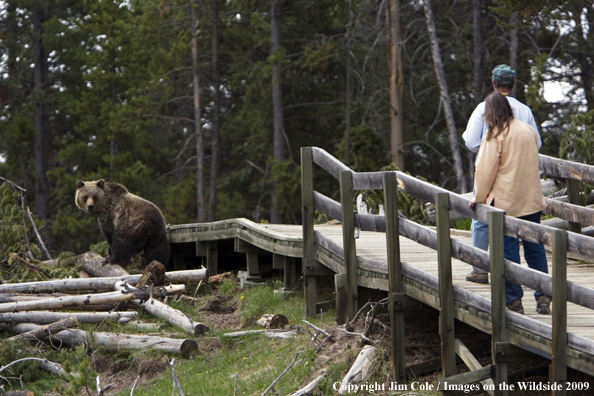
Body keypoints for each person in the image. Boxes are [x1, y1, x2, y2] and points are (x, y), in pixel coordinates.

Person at [469, 92, 551, 315]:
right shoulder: (527, 129)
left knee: (509, 251)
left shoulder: (495, 135)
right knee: (535, 248)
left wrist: (477, 198)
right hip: (531, 199)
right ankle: (544, 295)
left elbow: (485, 172)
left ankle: (514, 300)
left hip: (507, 202)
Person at [462, 64, 542, 285]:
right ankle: (543, 290)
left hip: (494, 174)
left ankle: (480, 268)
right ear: (513, 84)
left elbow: (470, 140)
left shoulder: (482, 108)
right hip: (522, 177)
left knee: (481, 219)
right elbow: (538, 143)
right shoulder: (524, 110)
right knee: (530, 237)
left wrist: (488, 150)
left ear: (494, 83)